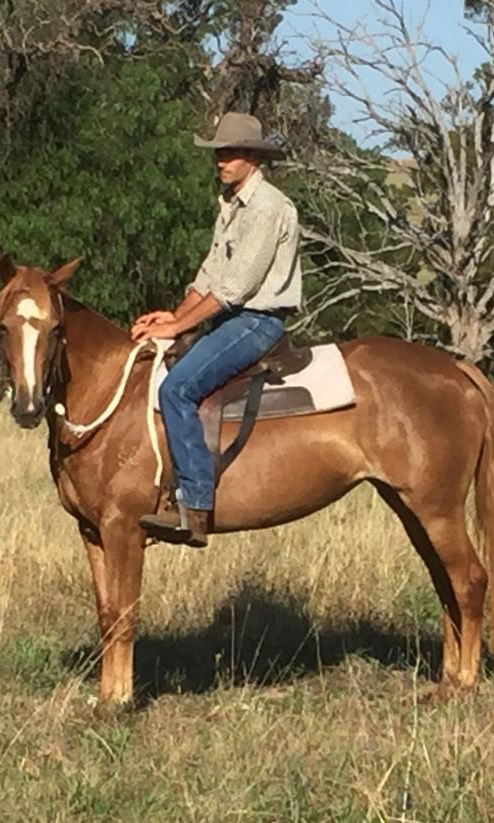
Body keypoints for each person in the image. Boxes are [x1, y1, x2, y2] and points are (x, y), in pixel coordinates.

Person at [131, 112, 302, 548]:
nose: (220, 161)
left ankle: (193, 505)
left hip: (256, 321)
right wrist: (172, 318)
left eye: (229, 153)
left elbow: (234, 288)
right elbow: (209, 276)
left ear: (252, 157)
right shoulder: (230, 205)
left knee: (177, 390)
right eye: (218, 153)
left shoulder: (268, 208)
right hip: (230, 317)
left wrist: (179, 324)